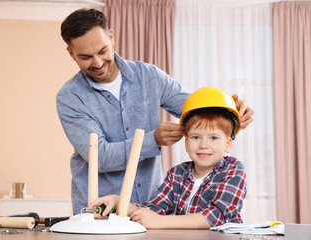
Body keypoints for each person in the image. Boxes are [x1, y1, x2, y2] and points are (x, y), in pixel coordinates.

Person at [57, 8, 253, 214]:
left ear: (111, 37)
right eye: (86, 57)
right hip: (98, 211)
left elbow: (197, 110)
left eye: (103, 51)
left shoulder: (149, 76)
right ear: (71, 53)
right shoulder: (70, 98)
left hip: (151, 208)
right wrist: (154, 140)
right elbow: (100, 156)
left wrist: (231, 109)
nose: (97, 63)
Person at [90, 87, 247, 229]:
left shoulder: (233, 170)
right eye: (196, 137)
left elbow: (218, 216)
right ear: (186, 143)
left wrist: (160, 221)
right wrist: (119, 202)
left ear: (227, 145)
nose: (203, 145)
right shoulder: (177, 174)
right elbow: (153, 209)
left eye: (213, 138)